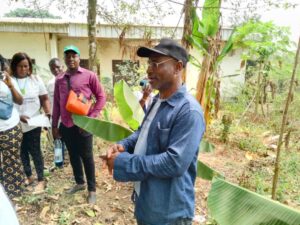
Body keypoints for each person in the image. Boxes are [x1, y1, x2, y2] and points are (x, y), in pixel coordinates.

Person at [103, 38, 206, 225]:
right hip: (147, 200)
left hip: (168, 212)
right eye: (149, 63)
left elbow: (175, 162)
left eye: (156, 63)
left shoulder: (188, 111)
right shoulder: (158, 100)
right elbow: (142, 132)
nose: (149, 69)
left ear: (177, 67)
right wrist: (124, 145)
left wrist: (124, 162)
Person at [52, 45, 106, 204]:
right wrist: (54, 125)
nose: (70, 58)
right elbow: (56, 103)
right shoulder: (60, 79)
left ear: (79, 57)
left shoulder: (89, 75)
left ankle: (92, 190)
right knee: (73, 155)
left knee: (87, 157)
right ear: (65, 59)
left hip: (84, 125)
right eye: (67, 56)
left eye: (73, 55)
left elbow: (101, 97)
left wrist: (90, 118)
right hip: (67, 125)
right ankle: (79, 183)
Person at [11, 52, 51, 193]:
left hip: (34, 121)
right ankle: (29, 176)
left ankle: (41, 179)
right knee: (22, 151)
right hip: (15, 122)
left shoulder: (35, 79)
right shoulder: (9, 81)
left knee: (35, 151)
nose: (23, 69)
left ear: (30, 67)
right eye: (20, 66)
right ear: (14, 66)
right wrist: (18, 116)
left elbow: (44, 97)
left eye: (26, 66)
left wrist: (47, 112)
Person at [0, 54, 24, 199]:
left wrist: (10, 85)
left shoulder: (7, 81)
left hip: (10, 128)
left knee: (12, 161)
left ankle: (14, 194)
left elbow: (20, 100)